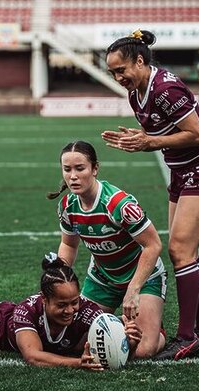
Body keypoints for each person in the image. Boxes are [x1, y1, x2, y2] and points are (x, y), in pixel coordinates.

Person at [100, 30, 199, 361]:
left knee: (180, 250)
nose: (119, 78)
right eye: (113, 73)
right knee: (184, 250)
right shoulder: (136, 95)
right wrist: (141, 137)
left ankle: (188, 337)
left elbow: (197, 135)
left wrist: (150, 142)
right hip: (181, 172)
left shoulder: (165, 88)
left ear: (140, 61)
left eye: (121, 70)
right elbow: (163, 132)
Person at [47, 140, 168, 359]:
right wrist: (58, 281)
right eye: (67, 169)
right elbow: (68, 244)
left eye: (80, 168)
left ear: (95, 169)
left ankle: (155, 328)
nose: (73, 176)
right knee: (75, 343)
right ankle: (121, 323)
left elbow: (154, 245)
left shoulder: (118, 204)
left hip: (143, 278)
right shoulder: (67, 206)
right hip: (102, 280)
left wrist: (133, 290)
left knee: (142, 351)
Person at [0, 254, 143, 368]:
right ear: (44, 300)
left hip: (7, 316)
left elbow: (113, 349)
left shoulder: (89, 312)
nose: (70, 310)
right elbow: (33, 356)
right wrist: (77, 363)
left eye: (74, 302)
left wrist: (129, 343)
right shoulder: (27, 310)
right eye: (61, 305)